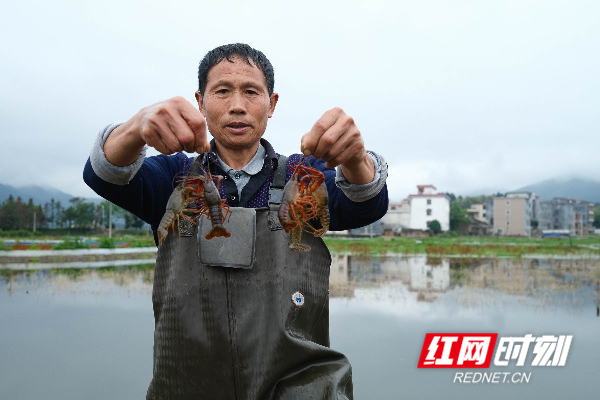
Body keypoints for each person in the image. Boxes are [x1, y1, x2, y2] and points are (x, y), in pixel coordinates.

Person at [84, 43, 388, 400]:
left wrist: (354, 158)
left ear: (272, 104)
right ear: (200, 101)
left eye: (251, 91)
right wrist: (136, 126)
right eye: (223, 91)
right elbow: (104, 174)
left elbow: (367, 203)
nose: (238, 105)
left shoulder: (302, 176)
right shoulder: (174, 175)